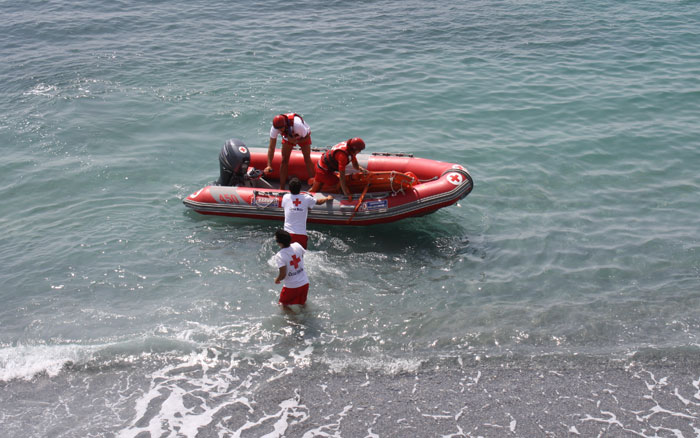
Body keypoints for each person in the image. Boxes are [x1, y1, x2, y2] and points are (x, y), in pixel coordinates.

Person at [265, 113, 315, 190]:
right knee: (284, 160)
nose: (280, 130)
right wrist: (269, 165)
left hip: (302, 136)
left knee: (307, 158)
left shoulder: (298, 126)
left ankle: (314, 185)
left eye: (282, 128)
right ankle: (282, 187)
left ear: (285, 124)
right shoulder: (275, 129)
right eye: (279, 129)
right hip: (288, 136)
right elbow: (271, 147)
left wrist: (294, 141)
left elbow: (306, 137)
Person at [282, 177, 333, 249]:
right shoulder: (306, 198)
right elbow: (319, 202)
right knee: (299, 258)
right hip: (301, 235)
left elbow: (285, 206)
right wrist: (327, 198)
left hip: (287, 235)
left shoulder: (285, 197)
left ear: (289, 189)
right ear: (300, 189)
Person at [273, 229, 309, 307]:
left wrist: (277, 279)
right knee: (302, 304)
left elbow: (283, 274)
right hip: (304, 283)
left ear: (279, 243)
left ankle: (295, 319)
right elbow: (301, 257)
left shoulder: (280, 255)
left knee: (283, 305)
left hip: (291, 286)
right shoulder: (297, 245)